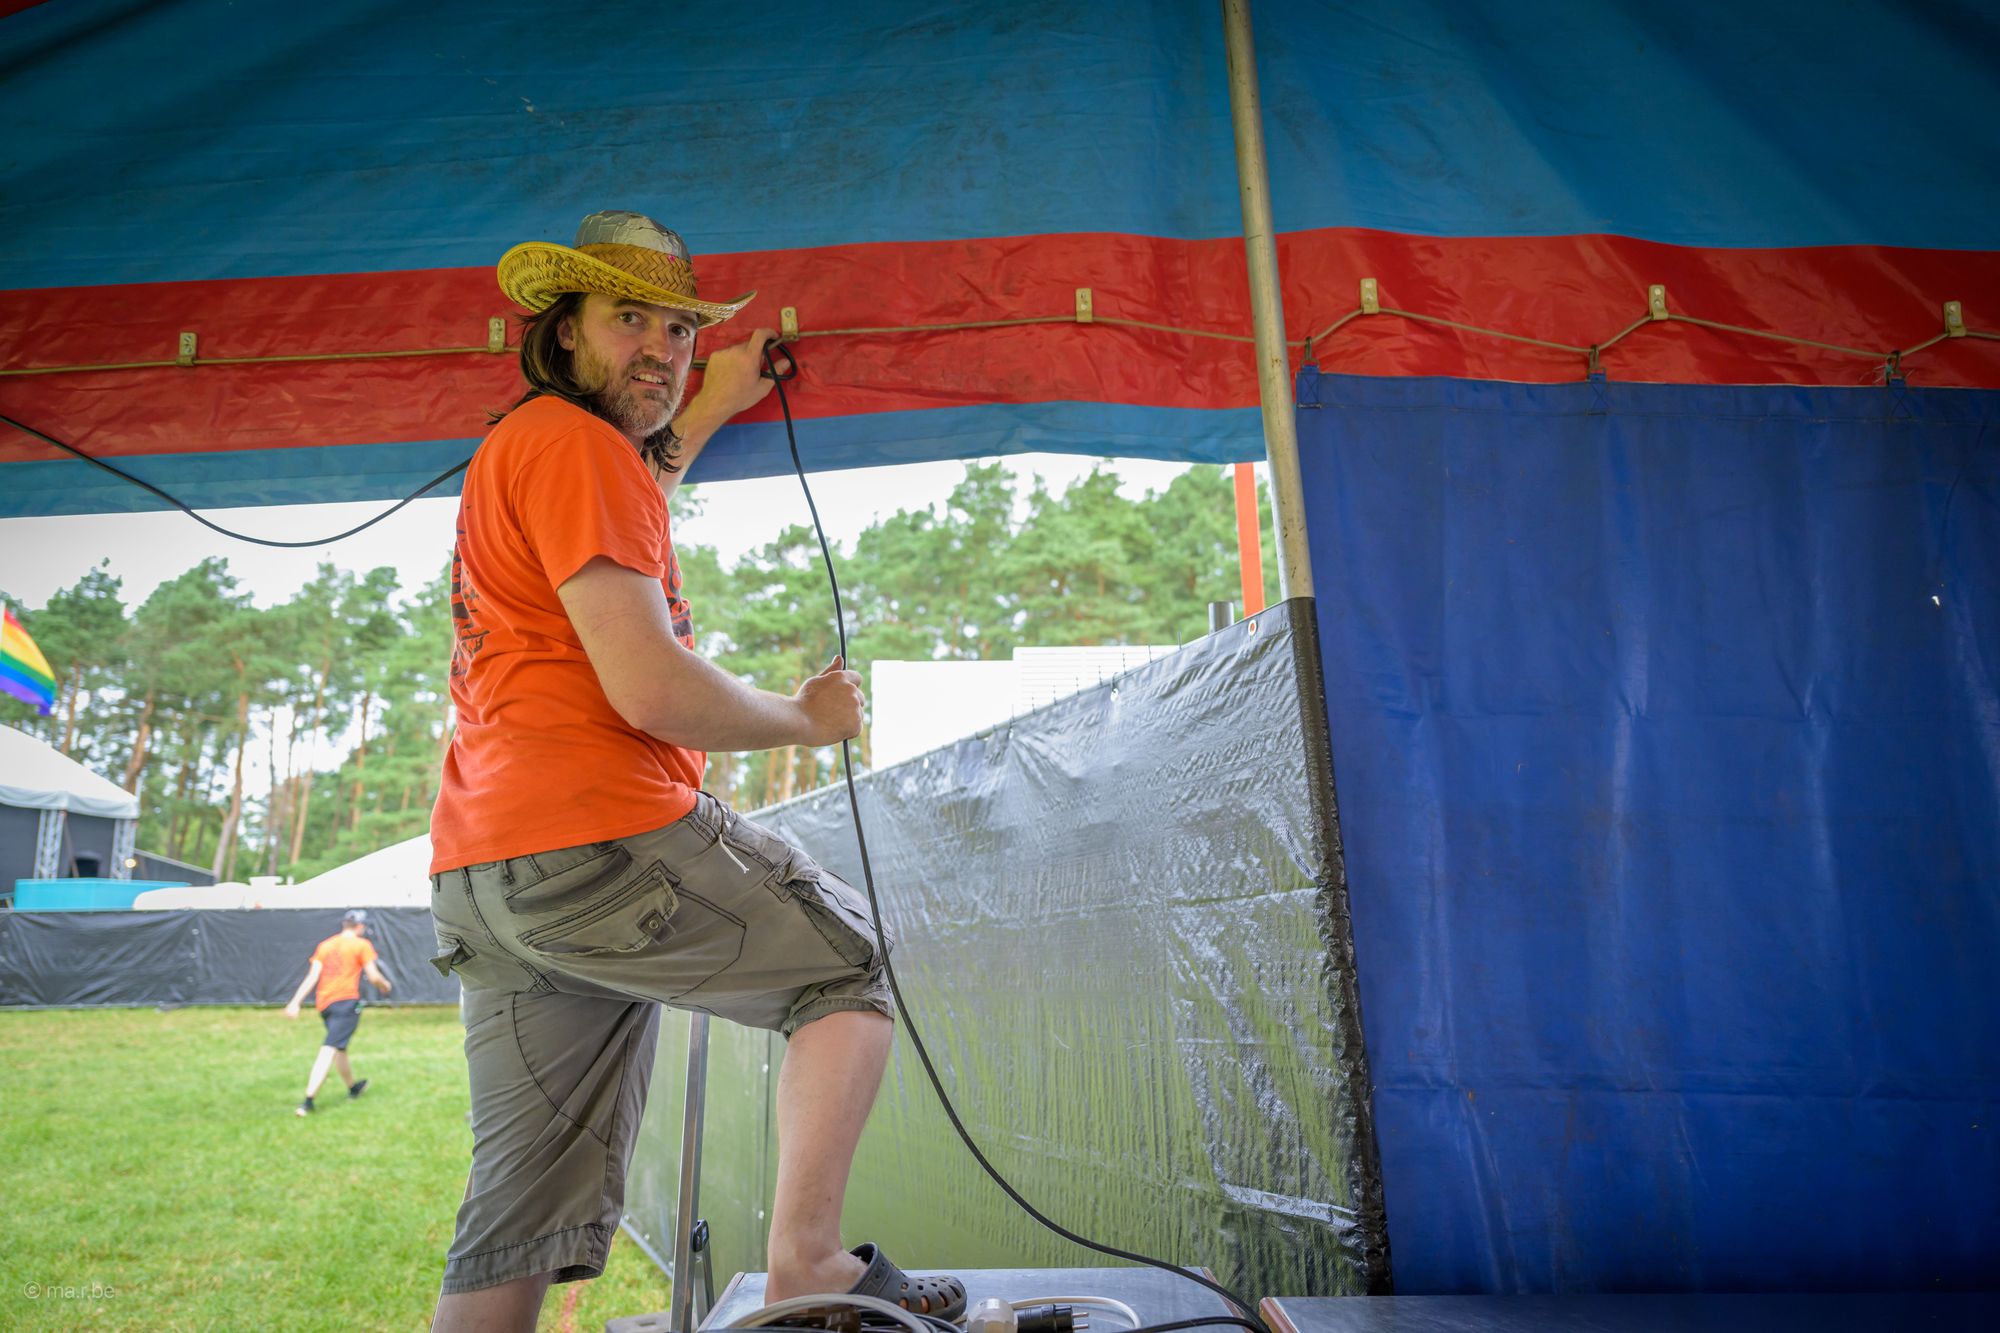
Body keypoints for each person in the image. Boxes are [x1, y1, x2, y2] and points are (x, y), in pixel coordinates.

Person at [424, 211, 965, 1333]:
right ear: (562, 332)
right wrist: (806, 718)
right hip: (596, 836)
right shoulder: (577, 448)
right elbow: (651, 689)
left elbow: (642, 470)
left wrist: (710, 402)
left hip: (486, 877)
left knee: (513, 1214)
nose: (662, 347)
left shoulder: (526, 450)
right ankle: (809, 1260)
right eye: (630, 319)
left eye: (678, 329)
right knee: (847, 964)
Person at [283, 908, 393, 1115]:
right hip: (347, 1003)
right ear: (360, 927)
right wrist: (385, 985)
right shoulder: (362, 945)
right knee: (329, 1048)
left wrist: (295, 1002)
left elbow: (312, 976)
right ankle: (308, 1101)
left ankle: (353, 1087)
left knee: (340, 1047)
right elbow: (373, 975)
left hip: (325, 1005)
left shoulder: (325, 945)